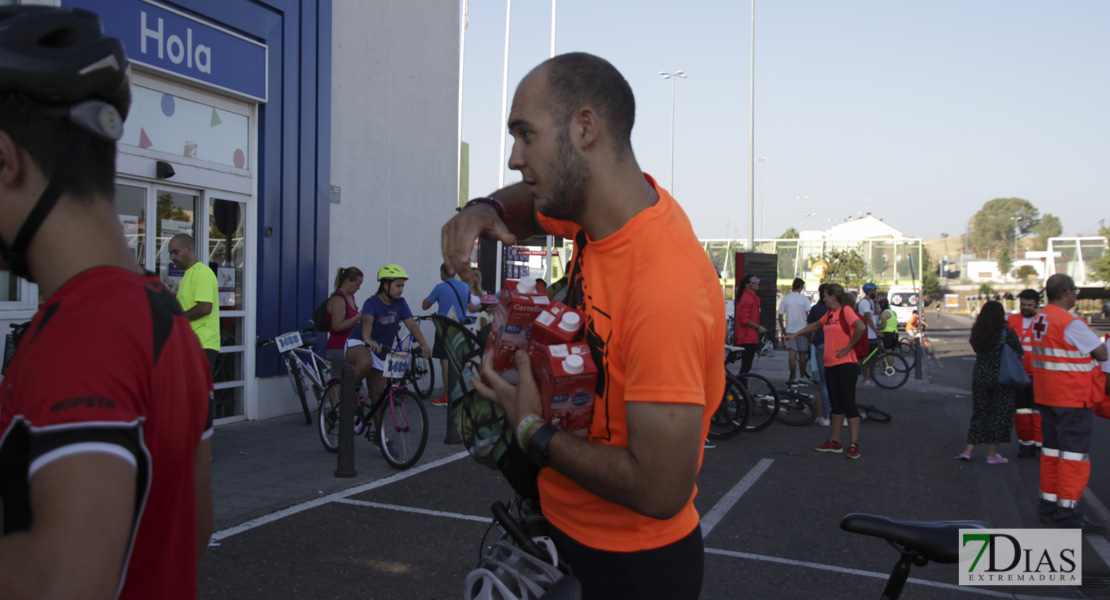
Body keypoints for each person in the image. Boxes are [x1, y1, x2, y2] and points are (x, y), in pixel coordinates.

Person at [440, 52, 723, 599]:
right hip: (557, 531)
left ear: (585, 128)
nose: (515, 157)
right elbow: (524, 207)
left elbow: (661, 487)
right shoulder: (596, 218)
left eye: (525, 135)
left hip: (632, 566)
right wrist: (481, 208)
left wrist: (532, 431)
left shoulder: (666, 286)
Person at [0, 7, 212, 598]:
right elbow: (193, 533)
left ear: (4, 160)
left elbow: (62, 581)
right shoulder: (159, 320)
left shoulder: (84, 332)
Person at [1032, 274, 1108, 534]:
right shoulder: (1070, 322)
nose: (1076, 295)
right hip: (1073, 398)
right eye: (1075, 291)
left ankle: (1049, 507)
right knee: (1074, 457)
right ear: (1067, 292)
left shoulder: (1041, 318)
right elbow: (1101, 353)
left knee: (1051, 453)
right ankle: (1069, 513)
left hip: (1047, 396)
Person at [345, 264, 433, 437]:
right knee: (365, 362)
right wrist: (368, 339)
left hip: (381, 350)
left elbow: (411, 324)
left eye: (403, 286)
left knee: (377, 397)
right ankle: (349, 392)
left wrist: (423, 343)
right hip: (359, 342)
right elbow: (368, 321)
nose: (401, 290)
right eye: (398, 286)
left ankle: (381, 440)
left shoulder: (400, 303)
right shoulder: (372, 302)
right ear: (386, 286)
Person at [786, 283, 867, 459]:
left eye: (826, 296)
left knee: (848, 403)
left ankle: (854, 445)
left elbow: (860, 327)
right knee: (836, 405)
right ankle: (835, 442)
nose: (823, 299)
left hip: (846, 364)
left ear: (833, 296)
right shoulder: (830, 314)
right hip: (830, 365)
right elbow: (815, 326)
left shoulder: (846, 311)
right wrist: (796, 334)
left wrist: (848, 347)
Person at [955, 301, 1022, 464]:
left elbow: (975, 347)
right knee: (999, 415)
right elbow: (1020, 353)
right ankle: (992, 455)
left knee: (980, 413)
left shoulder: (978, 331)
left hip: (981, 376)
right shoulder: (1006, 333)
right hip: (1002, 378)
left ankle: (968, 450)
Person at [169, 232, 221, 374]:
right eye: (170, 253)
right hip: (190, 343)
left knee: (196, 393)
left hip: (202, 344)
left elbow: (205, 308)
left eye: (175, 252)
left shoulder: (201, 273)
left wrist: (177, 318)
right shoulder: (188, 274)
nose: (172, 257)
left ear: (189, 249)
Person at [423, 262, 473, 407]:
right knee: (459, 362)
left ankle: (447, 395)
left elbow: (425, 305)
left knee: (445, 362)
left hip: (444, 328)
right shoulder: (464, 286)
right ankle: (461, 393)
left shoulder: (440, 287)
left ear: (443, 272)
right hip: (460, 328)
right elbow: (469, 304)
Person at [1007, 289, 1042, 458]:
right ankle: (1026, 444)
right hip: (1018, 374)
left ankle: (1040, 444)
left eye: (1029, 305)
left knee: (1039, 412)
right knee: (1021, 411)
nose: (1026, 308)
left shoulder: (1043, 320)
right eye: (1023, 304)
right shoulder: (1011, 320)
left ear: (1037, 304)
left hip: (1039, 373)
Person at [326, 266, 364, 368]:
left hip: (350, 345)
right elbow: (337, 326)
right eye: (357, 284)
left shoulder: (350, 296)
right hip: (339, 347)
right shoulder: (338, 299)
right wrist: (357, 317)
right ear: (348, 281)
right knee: (343, 381)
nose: (359, 288)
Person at [806, 283, 832, 426]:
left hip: (819, 344)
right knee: (831, 382)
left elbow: (811, 326)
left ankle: (821, 414)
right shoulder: (838, 309)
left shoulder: (816, 309)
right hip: (835, 347)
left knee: (822, 383)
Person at [777, 277, 812, 387]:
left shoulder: (786, 298)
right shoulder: (804, 299)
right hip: (802, 330)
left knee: (791, 355)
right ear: (801, 287)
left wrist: (783, 329)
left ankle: (793, 378)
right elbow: (809, 314)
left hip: (790, 331)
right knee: (802, 355)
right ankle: (802, 378)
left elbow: (780, 316)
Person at [735, 273, 767, 374]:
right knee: (746, 366)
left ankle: (742, 386)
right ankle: (742, 387)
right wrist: (758, 327)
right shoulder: (748, 298)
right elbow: (744, 320)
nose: (757, 283)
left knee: (746, 365)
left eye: (758, 281)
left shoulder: (750, 296)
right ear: (747, 285)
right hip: (747, 337)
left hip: (749, 336)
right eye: (754, 282)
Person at [856, 282, 880, 385]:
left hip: (872, 334)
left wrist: (876, 302)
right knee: (866, 356)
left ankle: (871, 375)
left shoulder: (870, 302)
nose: (875, 292)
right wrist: (876, 331)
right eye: (874, 290)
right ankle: (866, 377)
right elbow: (869, 318)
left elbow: (877, 313)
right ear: (869, 291)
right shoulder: (864, 302)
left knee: (873, 356)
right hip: (867, 334)